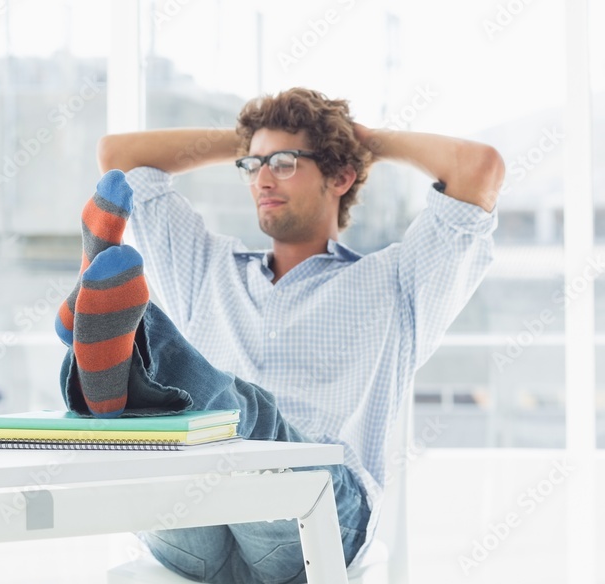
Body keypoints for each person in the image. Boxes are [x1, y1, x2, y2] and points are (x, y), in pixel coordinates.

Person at [54, 87, 504, 583]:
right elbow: (120, 158)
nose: (263, 178)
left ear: (340, 176)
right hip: (197, 517)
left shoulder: (398, 282)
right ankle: (122, 370)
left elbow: (478, 168)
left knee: (248, 414)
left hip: (314, 516)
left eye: (285, 163)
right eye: (253, 166)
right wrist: (252, 142)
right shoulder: (209, 268)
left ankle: (119, 368)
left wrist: (365, 141)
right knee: (187, 447)